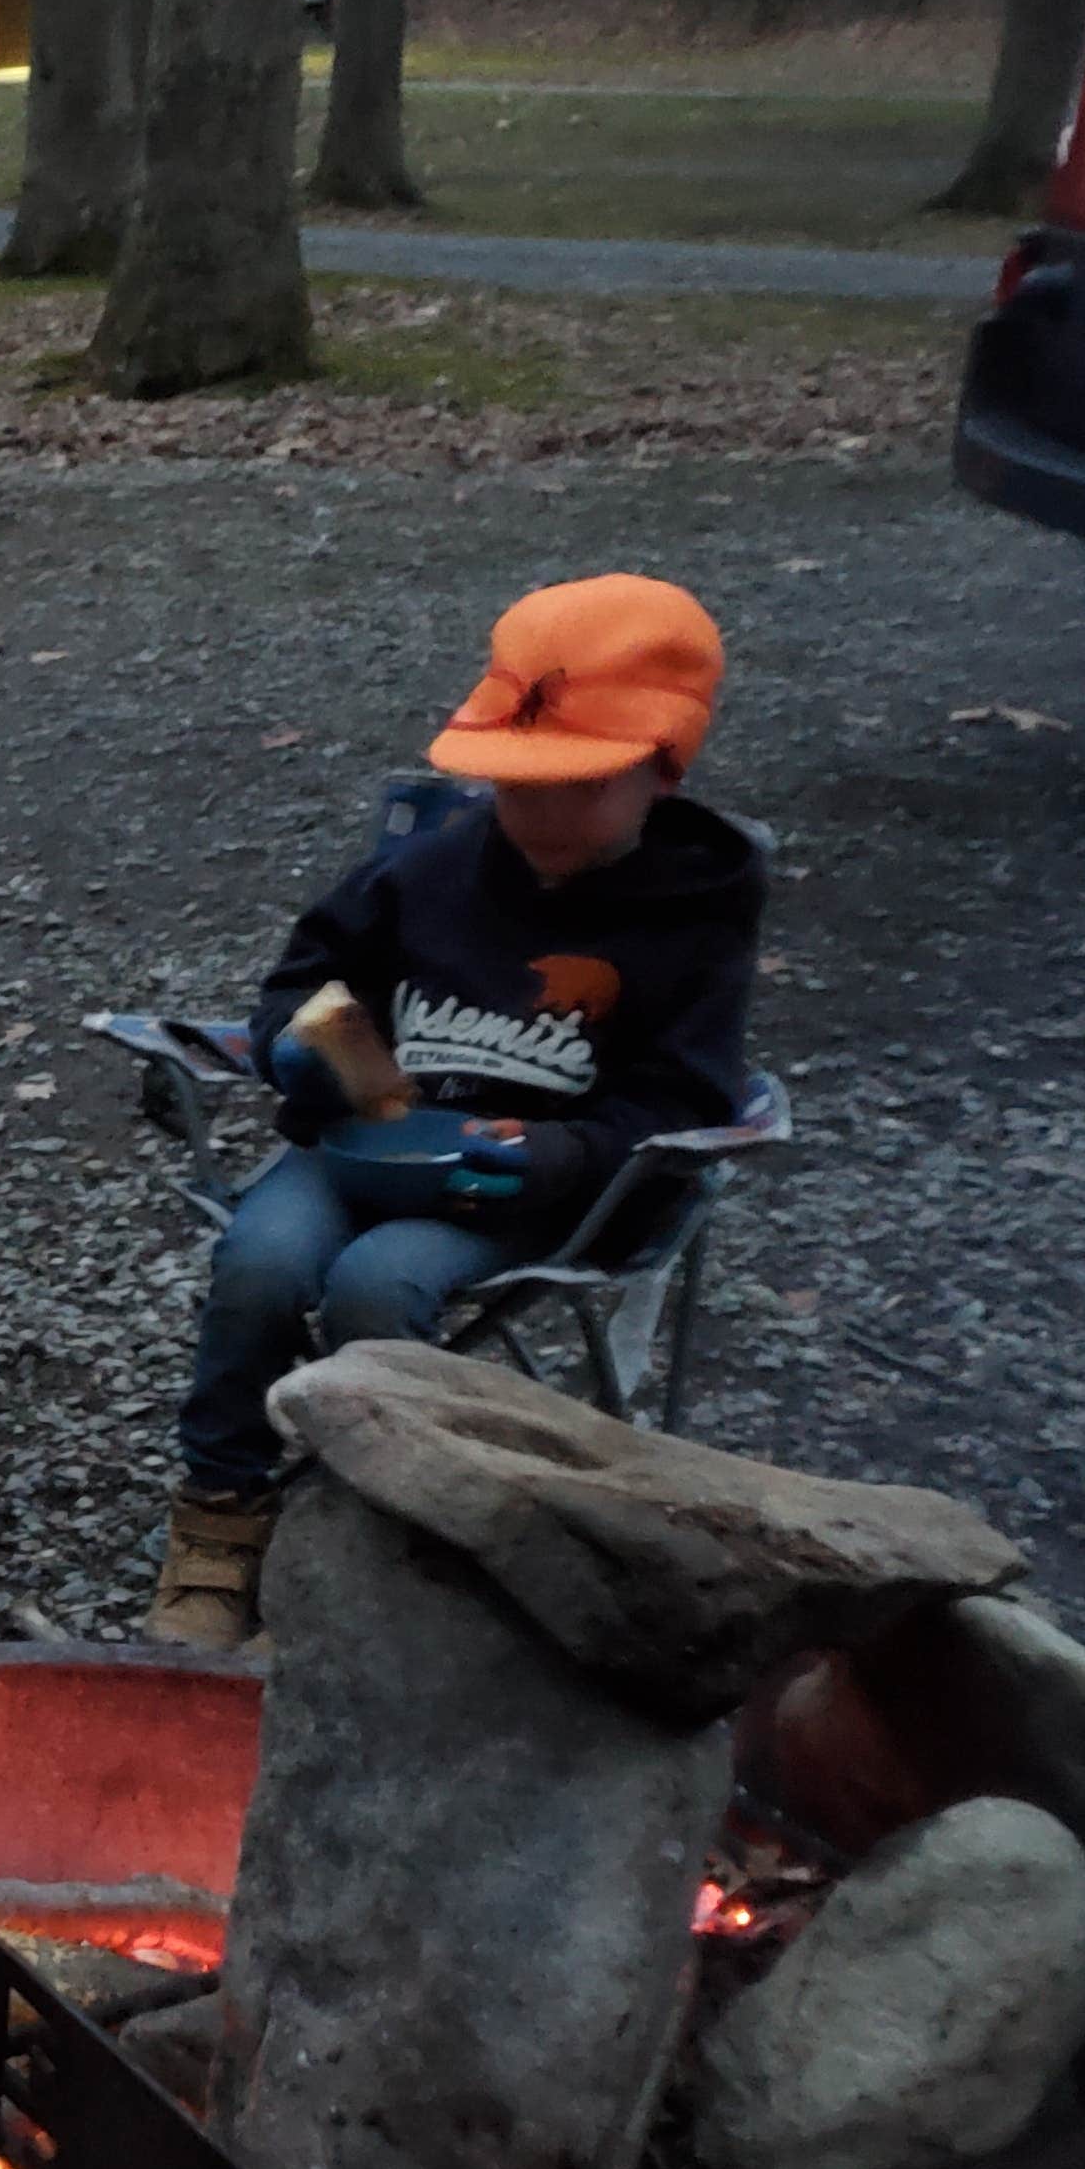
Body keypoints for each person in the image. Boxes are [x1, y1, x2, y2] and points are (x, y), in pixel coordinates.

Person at [146, 573, 761, 1649]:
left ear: (661, 768)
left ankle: (385, 1533)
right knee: (258, 1262)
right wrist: (326, 1055)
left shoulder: (696, 913)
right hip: (364, 1139)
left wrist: (566, 1155)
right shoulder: (427, 868)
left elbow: (684, 1098)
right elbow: (303, 982)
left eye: (575, 784)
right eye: (515, 783)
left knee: (377, 1285)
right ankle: (221, 1515)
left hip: (525, 1184)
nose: (536, 811)